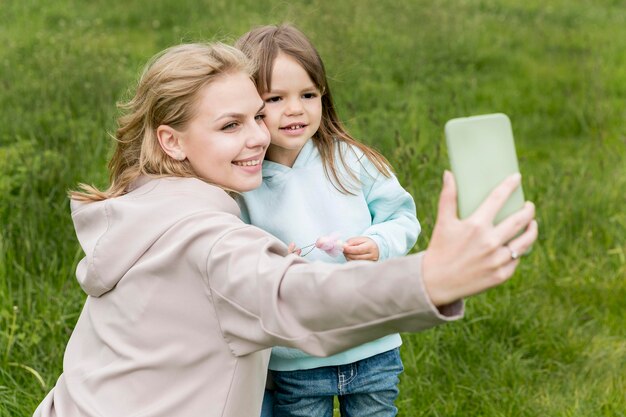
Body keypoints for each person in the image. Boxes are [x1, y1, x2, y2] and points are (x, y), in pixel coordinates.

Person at [33, 42, 537, 417]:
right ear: (172, 141)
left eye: (257, 115)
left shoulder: (139, 205)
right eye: (230, 125)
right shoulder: (210, 241)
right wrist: (434, 278)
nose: (258, 135)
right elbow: (299, 297)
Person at [235, 24, 419, 417]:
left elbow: (400, 216)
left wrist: (379, 244)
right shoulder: (244, 184)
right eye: (276, 98)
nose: (296, 109)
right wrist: (266, 263)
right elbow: (235, 255)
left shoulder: (350, 160)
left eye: (308, 95)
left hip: (371, 342)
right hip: (297, 355)